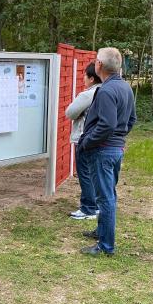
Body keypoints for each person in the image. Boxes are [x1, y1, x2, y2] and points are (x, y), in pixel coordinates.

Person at [78, 47, 136, 256]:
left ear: (99, 65)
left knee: (105, 198)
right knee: (108, 193)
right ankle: (101, 232)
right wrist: (117, 139)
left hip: (103, 151)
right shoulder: (125, 88)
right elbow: (131, 120)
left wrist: (87, 143)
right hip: (114, 149)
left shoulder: (106, 91)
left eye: (96, 61)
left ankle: (105, 246)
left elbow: (106, 125)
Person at [65, 62, 102, 220]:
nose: (83, 79)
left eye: (85, 76)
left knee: (84, 174)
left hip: (83, 138)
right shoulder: (106, 91)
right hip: (99, 138)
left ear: (92, 78)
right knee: (94, 175)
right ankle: (97, 205)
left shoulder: (88, 94)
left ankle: (88, 208)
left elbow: (70, 113)